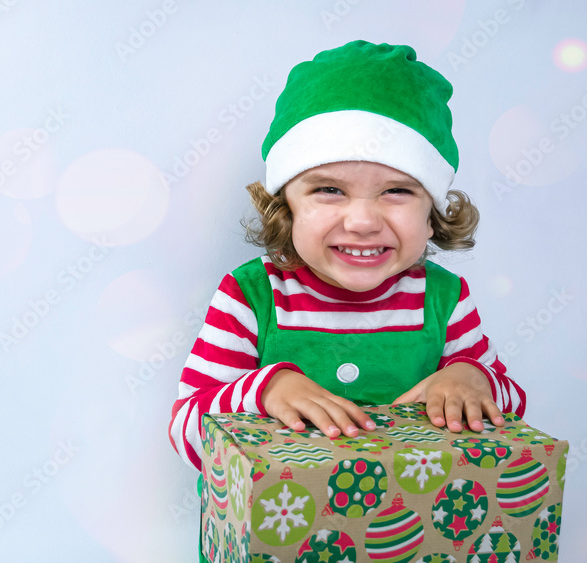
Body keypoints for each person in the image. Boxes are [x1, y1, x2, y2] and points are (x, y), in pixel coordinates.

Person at [168, 40, 526, 560]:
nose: (362, 220)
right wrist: (263, 390)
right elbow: (186, 432)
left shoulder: (445, 299)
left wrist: (473, 377)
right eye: (329, 190)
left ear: (432, 212)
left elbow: (510, 411)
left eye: (397, 191)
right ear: (284, 204)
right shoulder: (251, 295)